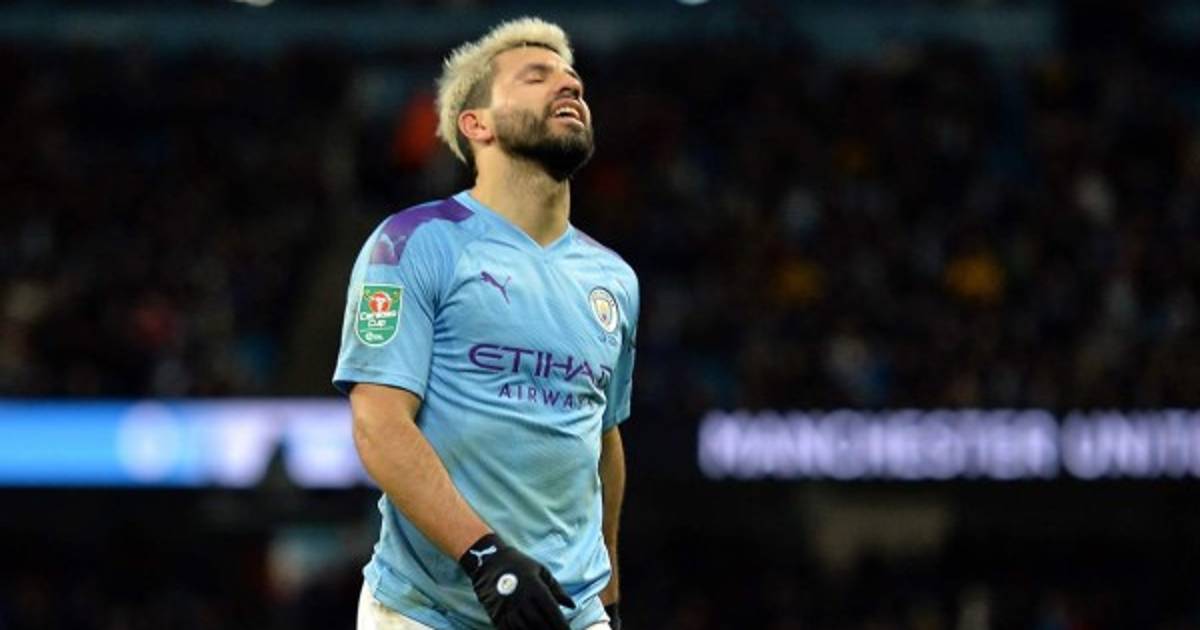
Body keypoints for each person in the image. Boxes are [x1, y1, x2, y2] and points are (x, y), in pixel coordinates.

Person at [333, 17, 638, 630]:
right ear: (478, 124)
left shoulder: (614, 278)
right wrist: (484, 556)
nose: (570, 85)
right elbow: (379, 422)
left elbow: (602, 438)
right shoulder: (412, 242)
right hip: (426, 611)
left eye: (573, 79)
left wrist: (607, 590)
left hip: (568, 613)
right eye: (536, 76)